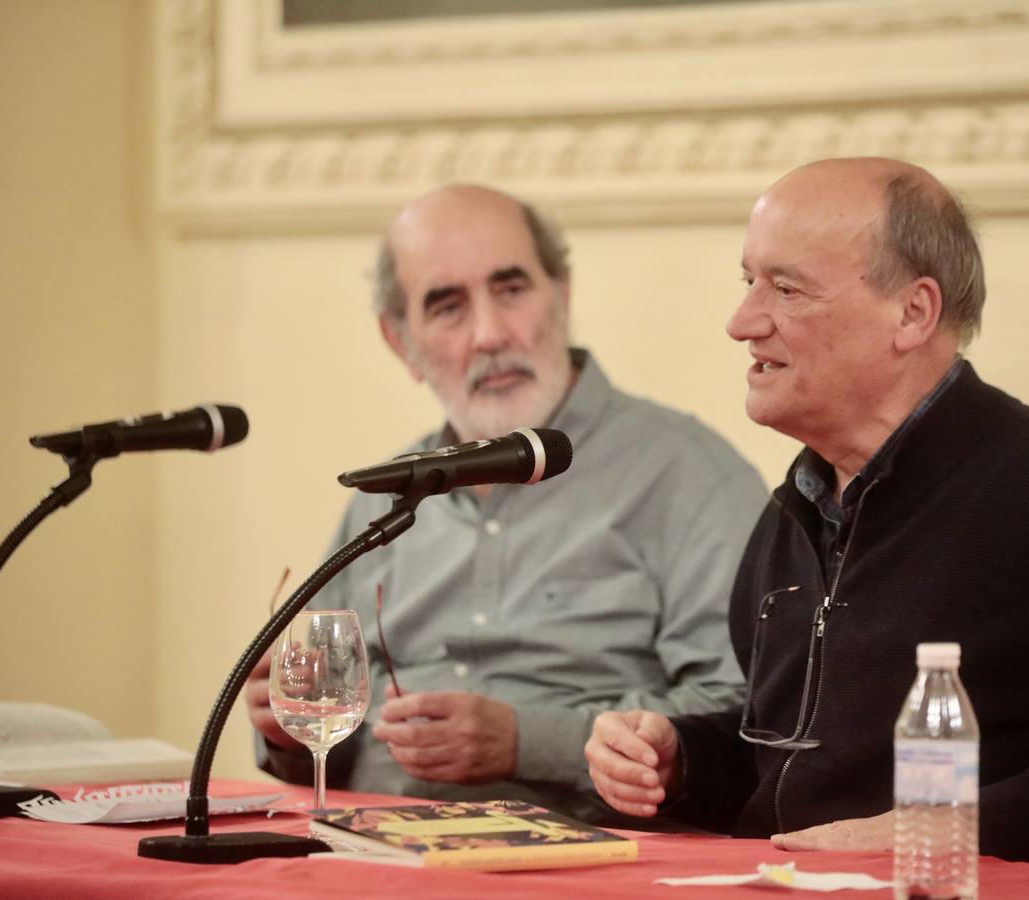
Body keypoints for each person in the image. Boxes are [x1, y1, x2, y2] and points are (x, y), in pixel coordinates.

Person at [584, 157, 1029, 876]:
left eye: (786, 288)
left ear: (912, 313)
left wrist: (952, 828)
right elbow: (799, 766)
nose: (742, 322)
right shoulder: (800, 505)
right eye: (749, 282)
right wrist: (682, 759)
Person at [246, 184, 766, 823]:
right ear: (399, 341)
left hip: (585, 866)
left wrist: (527, 741)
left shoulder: (689, 476)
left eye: (512, 290)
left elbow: (740, 718)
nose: (490, 335)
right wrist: (286, 731)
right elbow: (324, 726)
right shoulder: (383, 500)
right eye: (447, 307)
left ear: (563, 294)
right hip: (369, 851)